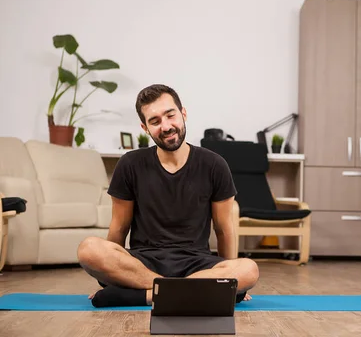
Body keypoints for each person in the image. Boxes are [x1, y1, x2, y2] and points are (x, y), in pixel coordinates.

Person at [77, 84, 259, 307]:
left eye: (170, 115)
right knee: (88, 249)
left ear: (183, 113)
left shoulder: (214, 164)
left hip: (197, 264)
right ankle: (186, 293)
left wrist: (231, 275)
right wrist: (107, 276)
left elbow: (224, 229)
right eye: (154, 121)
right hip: (143, 263)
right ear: (145, 127)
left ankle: (145, 295)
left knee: (249, 269)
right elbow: (119, 227)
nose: (165, 126)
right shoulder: (130, 164)